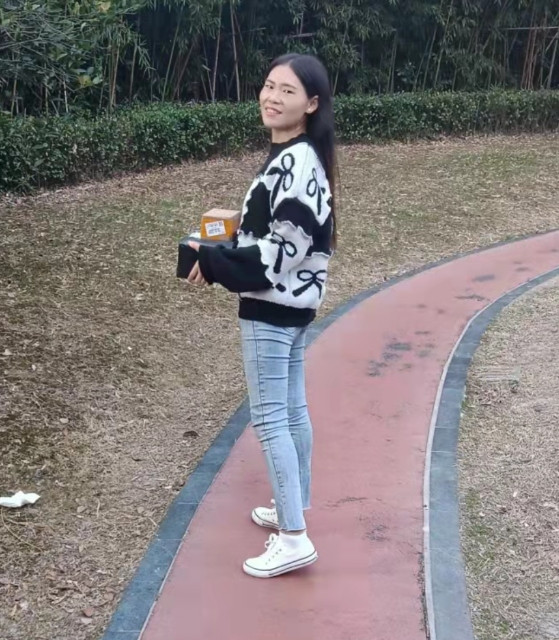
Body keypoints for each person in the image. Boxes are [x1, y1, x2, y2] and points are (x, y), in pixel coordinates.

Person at [186, 53, 337, 579]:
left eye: (287, 91)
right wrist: (221, 245)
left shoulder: (296, 164)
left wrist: (212, 262)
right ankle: (293, 505)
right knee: (292, 411)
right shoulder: (299, 157)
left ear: (311, 104)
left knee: (271, 418)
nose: (272, 97)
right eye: (269, 86)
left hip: (271, 306)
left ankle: (293, 537)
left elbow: (278, 254)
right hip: (293, 305)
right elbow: (274, 238)